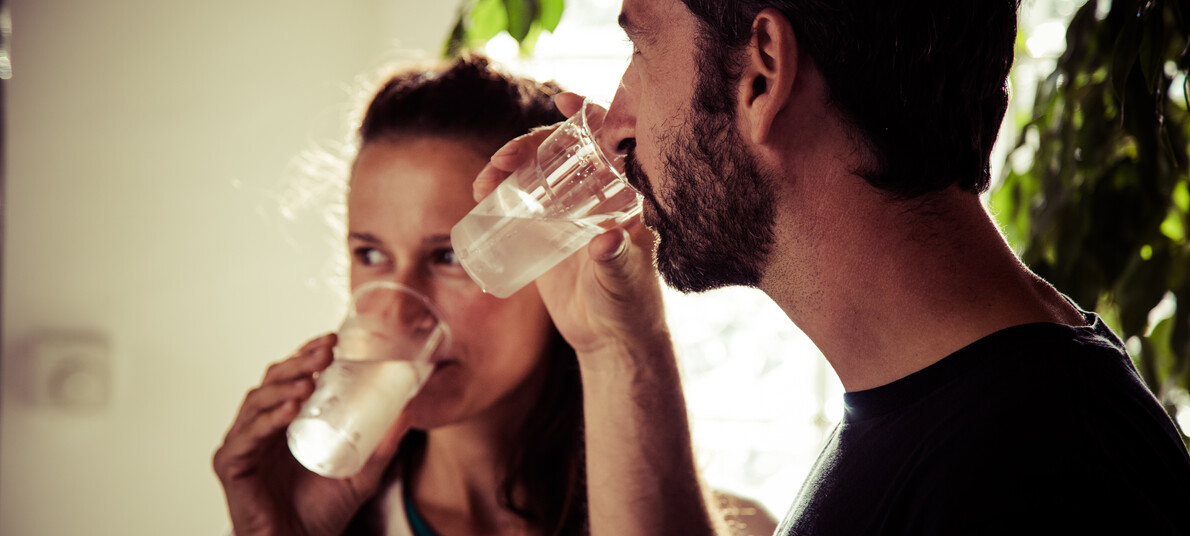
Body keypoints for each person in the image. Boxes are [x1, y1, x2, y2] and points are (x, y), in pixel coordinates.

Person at [477, 1, 1190, 534]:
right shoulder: (958, 409)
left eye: (641, 50)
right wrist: (613, 347)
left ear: (762, 74)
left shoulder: (1029, 481)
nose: (615, 122)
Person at [213, 54, 776, 536]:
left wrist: (622, 344)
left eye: (451, 256)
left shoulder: (709, 523)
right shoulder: (326, 516)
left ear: (552, 249)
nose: (398, 306)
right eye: (370, 255)